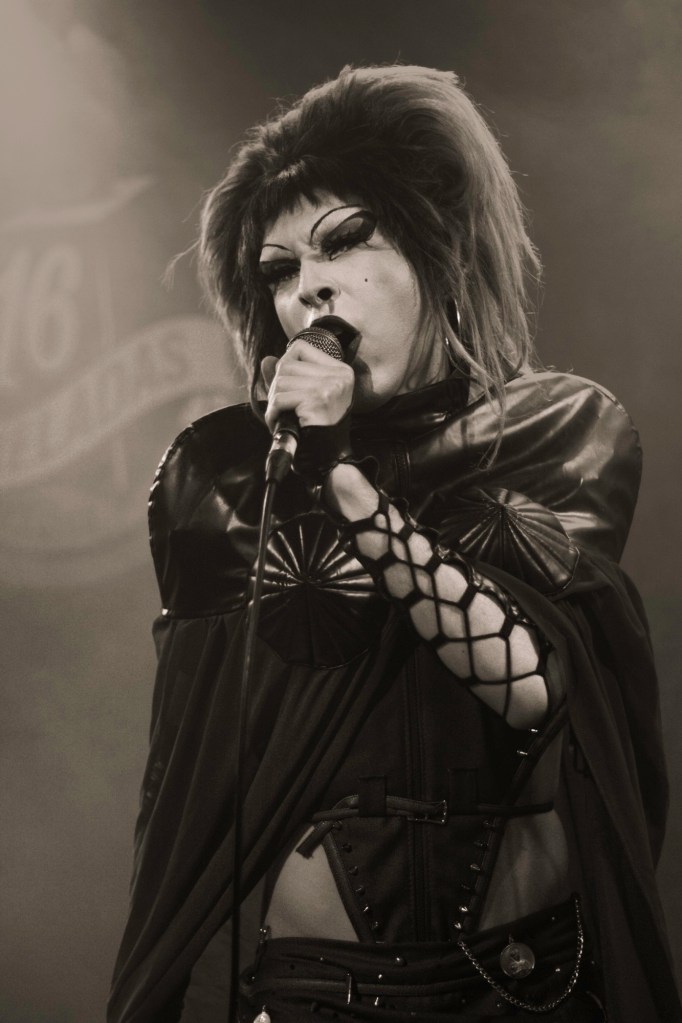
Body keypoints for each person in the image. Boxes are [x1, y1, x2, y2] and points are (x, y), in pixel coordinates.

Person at [108, 65, 681, 1023]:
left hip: (522, 985)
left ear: (436, 250)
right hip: (317, 991)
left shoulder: (557, 430)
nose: (310, 288)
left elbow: (531, 686)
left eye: (344, 241)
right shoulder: (224, 477)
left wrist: (344, 480)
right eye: (279, 271)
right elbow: (187, 791)